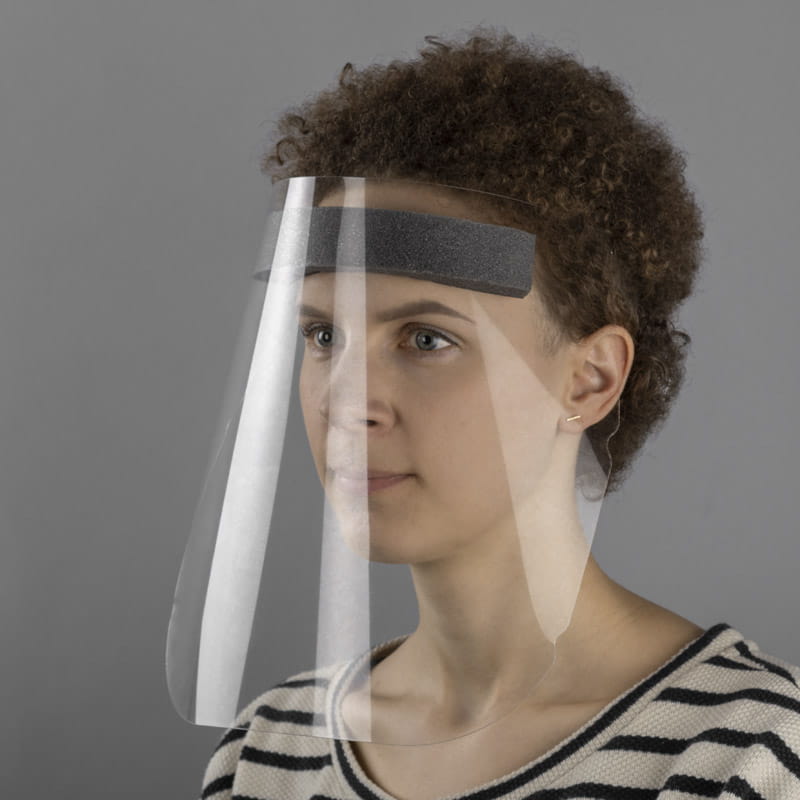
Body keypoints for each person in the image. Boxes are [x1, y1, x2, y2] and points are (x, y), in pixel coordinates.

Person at [197, 26, 800, 800]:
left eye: (426, 338)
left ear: (589, 380)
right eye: (323, 335)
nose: (345, 403)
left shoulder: (745, 756)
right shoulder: (269, 748)